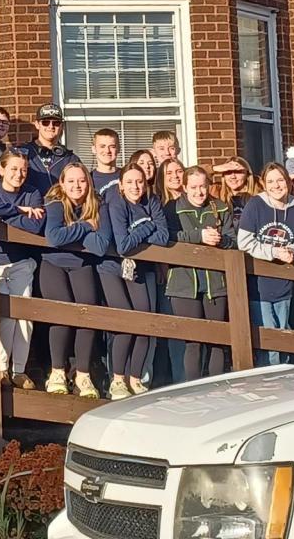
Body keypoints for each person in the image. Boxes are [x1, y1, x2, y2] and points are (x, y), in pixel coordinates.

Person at [98, 165, 169, 398]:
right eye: (129, 182)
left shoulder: (152, 202)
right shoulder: (116, 204)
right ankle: (118, 379)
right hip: (113, 268)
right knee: (125, 322)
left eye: (139, 182)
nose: (135, 187)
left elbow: (164, 236)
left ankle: (136, 378)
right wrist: (148, 225)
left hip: (142, 269)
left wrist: (138, 232)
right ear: (121, 185)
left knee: (145, 323)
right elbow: (123, 245)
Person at [237, 162, 294, 365]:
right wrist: (273, 252)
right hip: (258, 286)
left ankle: (284, 377)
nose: (276, 185)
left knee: (283, 337)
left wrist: (293, 251)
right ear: (263, 184)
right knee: (266, 341)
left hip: (285, 287)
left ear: (288, 181)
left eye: (280, 180)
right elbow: (244, 242)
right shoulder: (255, 205)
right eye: (270, 181)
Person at [0, 150, 44, 389]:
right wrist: (20, 210)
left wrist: (3, 215)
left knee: (24, 316)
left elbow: (35, 226)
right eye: (14, 169)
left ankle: (19, 370)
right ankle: (1, 369)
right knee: (5, 317)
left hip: (22, 262)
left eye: (23, 170)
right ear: (1, 169)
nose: (19, 174)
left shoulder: (32, 193)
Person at [165, 166, 235, 380]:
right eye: (194, 187)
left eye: (203, 186)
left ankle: (216, 385)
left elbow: (233, 240)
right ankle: (193, 387)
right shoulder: (172, 208)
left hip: (215, 282)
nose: (199, 192)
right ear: (185, 187)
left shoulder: (220, 207)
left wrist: (221, 240)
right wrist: (198, 236)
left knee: (217, 340)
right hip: (184, 282)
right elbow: (167, 236)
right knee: (193, 340)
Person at [40, 161, 102, 398]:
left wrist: (73, 231)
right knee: (61, 315)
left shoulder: (95, 204)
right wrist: (85, 226)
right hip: (53, 263)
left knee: (87, 315)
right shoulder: (56, 203)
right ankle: (57, 372)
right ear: (62, 184)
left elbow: (100, 244)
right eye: (72, 181)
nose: (77, 186)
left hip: (82, 264)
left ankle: (82, 375)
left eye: (82, 180)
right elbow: (55, 237)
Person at [17, 104, 77, 195]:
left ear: (61, 126)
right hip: (31, 203)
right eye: (45, 122)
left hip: (60, 203)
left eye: (56, 123)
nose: (51, 126)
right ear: (37, 124)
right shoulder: (21, 153)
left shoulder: (70, 158)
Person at [90, 128, 121, 198]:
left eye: (112, 146)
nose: (107, 151)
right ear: (94, 149)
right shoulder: (88, 180)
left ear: (119, 148)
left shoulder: (128, 176)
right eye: (102, 146)